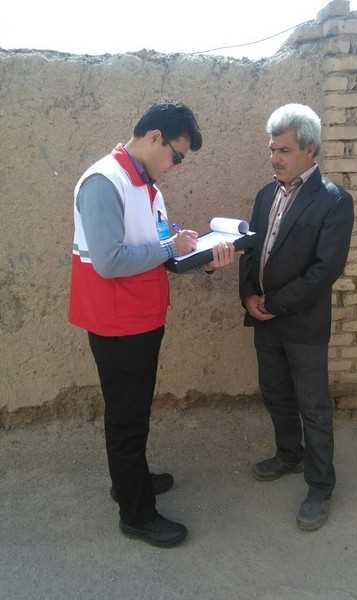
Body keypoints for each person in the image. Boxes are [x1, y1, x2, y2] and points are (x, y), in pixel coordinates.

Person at [68, 102, 234, 548]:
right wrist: (170, 248)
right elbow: (109, 261)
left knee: (134, 412)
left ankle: (131, 481)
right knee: (127, 419)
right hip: (116, 324)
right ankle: (136, 514)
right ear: (155, 137)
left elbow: (157, 246)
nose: (175, 166)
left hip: (140, 318)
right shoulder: (105, 181)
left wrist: (200, 256)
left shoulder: (145, 185)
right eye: (175, 155)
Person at [239, 103, 354, 531]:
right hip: (264, 317)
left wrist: (274, 303)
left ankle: (320, 485)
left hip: (303, 323)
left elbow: (325, 270)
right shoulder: (265, 195)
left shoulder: (334, 201)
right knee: (275, 393)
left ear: (310, 149)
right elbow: (250, 250)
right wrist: (248, 295)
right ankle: (289, 454)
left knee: (314, 406)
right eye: (272, 149)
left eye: (284, 150)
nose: (275, 158)